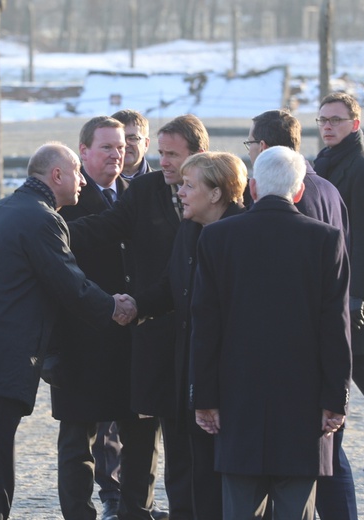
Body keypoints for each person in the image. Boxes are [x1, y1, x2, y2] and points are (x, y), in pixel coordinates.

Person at [0, 142, 137, 520]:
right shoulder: (41, 219)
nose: (82, 182)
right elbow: (69, 284)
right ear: (56, 175)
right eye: (77, 173)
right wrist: (114, 307)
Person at [190, 146, 352, 519]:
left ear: (253, 187)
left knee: (240, 507)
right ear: (299, 192)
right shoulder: (326, 240)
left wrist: (204, 397)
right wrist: (335, 399)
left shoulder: (216, 238)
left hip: (237, 401)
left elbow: (206, 327)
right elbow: (335, 328)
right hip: (304, 404)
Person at [68, 114, 210, 519]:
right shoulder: (144, 189)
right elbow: (106, 227)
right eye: (161, 153)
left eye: (172, 155)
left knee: (192, 441)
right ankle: (136, 512)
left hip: (202, 338)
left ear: (198, 155)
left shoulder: (221, 190)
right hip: (153, 331)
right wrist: (48, 228)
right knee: (143, 434)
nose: (162, 161)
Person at [248, 108, 357, 520]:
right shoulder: (327, 188)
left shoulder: (283, 198)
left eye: (250, 144)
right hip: (325, 346)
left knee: (309, 465)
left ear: (262, 148)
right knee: (329, 456)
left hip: (295, 353)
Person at [49, 116, 151, 520]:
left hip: (132, 338)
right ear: (84, 152)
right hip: (82, 339)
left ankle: (133, 510)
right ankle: (79, 513)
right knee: (78, 437)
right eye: (107, 146)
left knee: (140, 433)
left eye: (123, 146)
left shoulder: (137, 194)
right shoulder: (65, 203)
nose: (117, 153)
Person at [135, 151, 247, 520]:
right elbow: (170, 288)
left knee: (223, 485)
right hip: (186, 378)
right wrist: (129, 306)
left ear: (216, 194)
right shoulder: (188, 229)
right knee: (188, 477)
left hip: (231, 386)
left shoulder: (244, 235)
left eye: (189, 185)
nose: (180, 192)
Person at [313, 92, 364, 476]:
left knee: (359, 363)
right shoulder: (325, 161)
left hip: (357, 284)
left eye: (336, 120)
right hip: (336, 281)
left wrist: (358, 296)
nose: (327, 126)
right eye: (323, 120)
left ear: (354, 124)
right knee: (360, 365)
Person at [112, 109, 152, 180]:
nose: (125, 144)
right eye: (120, 138)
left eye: (133, 138)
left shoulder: (166, 185)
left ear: (146, 144)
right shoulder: (92, 183)